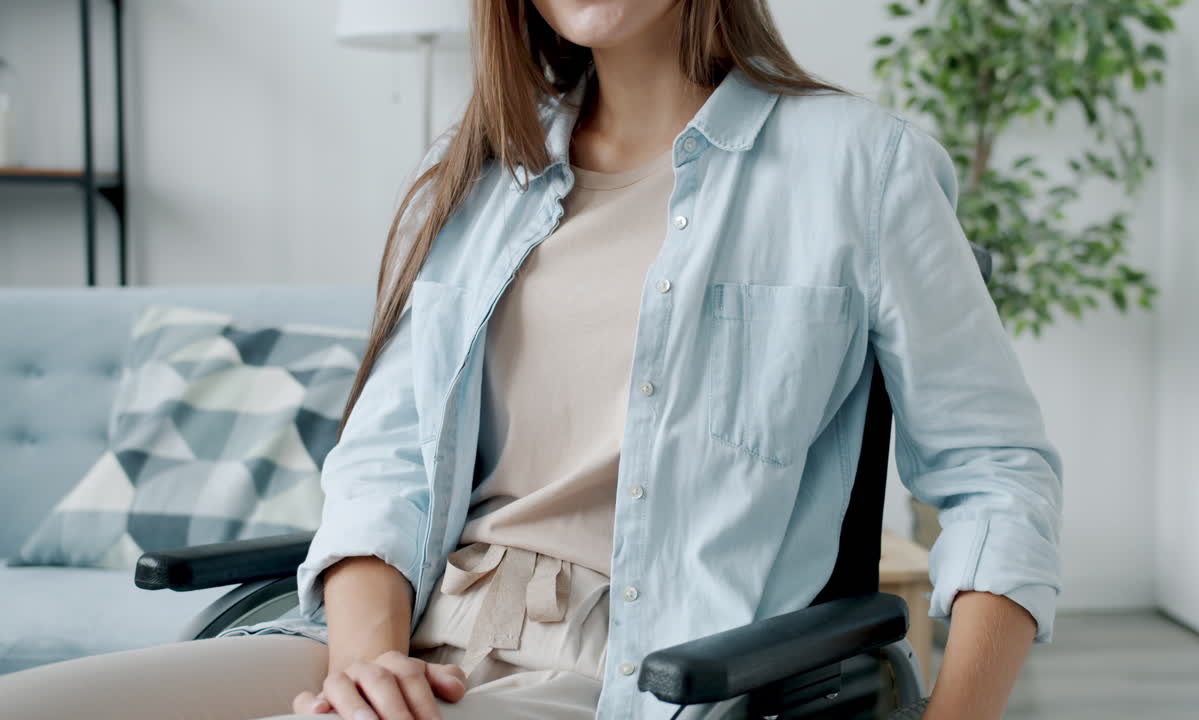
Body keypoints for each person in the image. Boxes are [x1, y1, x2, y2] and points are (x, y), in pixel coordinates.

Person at [0, 0, 1064, 718]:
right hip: (402, 645)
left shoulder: (859, 167)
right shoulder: (475, 172)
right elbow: (384, 465)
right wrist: (368, 669)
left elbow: (996, 480)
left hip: (629, 674)